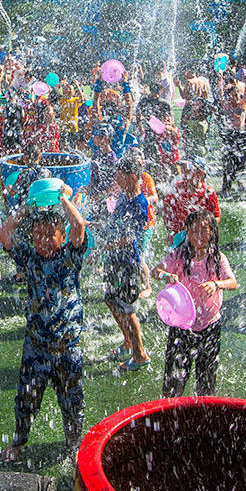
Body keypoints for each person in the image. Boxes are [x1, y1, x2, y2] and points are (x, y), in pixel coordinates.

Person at [0, 185, 90, 463]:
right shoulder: (30, 258)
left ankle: (73, 444)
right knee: (26, 398)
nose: (43, 240)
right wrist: (26, 206)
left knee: (71, 400)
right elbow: (3, 233)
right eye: (37, 234)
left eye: (50, 234)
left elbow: (80, 226)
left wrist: (63, 199)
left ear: (62, 237)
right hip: (36, 345)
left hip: (66, 346)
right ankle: (19, 441)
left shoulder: (69, 258)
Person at [153, 209, 237, 396]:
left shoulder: (217, 259)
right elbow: (155, 271)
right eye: (193, 230)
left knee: (206, 382)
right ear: (187, 233)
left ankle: (204, 416)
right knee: (173, 382)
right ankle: (170, 414)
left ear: (212, 232)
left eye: (203, 230)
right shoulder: (178, 256)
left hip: (209, 326)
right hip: (181, 327)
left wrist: (216, 284)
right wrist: (168, 275)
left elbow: (233, 282)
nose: (198, 235)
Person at [101, 155, 151, 372]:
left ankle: (140, 354)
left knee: (126, 307)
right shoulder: (122, 198)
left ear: (132, 177)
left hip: (128, 262)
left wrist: (108, 246)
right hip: (114, 261)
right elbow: (113, 223)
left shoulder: (140, 203)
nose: (116, 179)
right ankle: (127, 341)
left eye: (120, 176)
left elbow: (131, 237)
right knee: (111, 300)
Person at [160, 157, 220, 236]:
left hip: (200, 235)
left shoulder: (208, 192)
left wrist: (206, 230)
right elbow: (166, 209)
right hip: (180, 234)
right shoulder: (177, 188)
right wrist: (171, 231)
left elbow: (216, 216)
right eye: (183, 170)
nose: (184, 173)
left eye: (187, 170)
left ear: (200, 174)